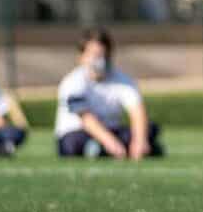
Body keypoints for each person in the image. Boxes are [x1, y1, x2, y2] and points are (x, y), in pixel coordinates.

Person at [55, 29, 163, 159]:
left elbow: (137, 112)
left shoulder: (123, 80)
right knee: (72, 144)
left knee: (149, 129)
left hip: (112, 130)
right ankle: (102, 148)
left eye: (102, 55)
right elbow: (86, 119)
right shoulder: (72, 82)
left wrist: (139, 140)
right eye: (93, 54)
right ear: (81, 57)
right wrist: (110, 142)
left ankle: (107, 150)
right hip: (79, 132)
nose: (98, 60)